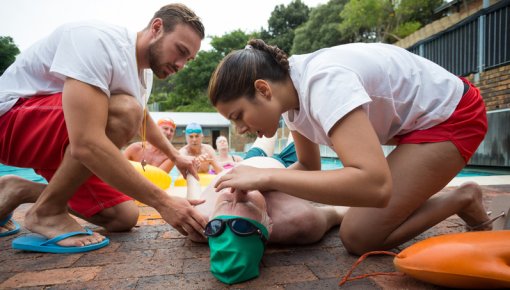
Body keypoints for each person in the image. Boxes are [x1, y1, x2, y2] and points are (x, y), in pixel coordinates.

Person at [207, 39, 493, 256]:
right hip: (416, 125)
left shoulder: (325, 84)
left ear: (263, 90)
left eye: (238, 116)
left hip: (453, 116)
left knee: (359, 237)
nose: (240, 129)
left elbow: (374, 185)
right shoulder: (291, 96)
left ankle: (464, 197)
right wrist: (256, 188)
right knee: (362, 225)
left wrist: (266, 176)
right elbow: (309, 167)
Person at [0, 3, 207, 252]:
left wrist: (176, 156)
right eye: (180, 51)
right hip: (9, 122)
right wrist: (163, 202)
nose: (181, 64)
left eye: (189, 59)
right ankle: (47, 211)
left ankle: (20, 189)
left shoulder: (145, 73)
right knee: (123, 111)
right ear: (157, 27)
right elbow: (87, 141)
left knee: (123, 217)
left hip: (58, 139)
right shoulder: (97, 41)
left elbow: (142, 117)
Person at [184, 152, 347, 284]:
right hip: (282, 164)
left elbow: (193, 197)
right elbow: (340, 211)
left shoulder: (201, 221)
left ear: (211, 218)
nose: (238, 191)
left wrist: (190, 173)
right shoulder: (301, 220)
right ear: (268, 224)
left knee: (261, 139)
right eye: (247, 203)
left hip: (246, 159)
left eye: (225, 201)